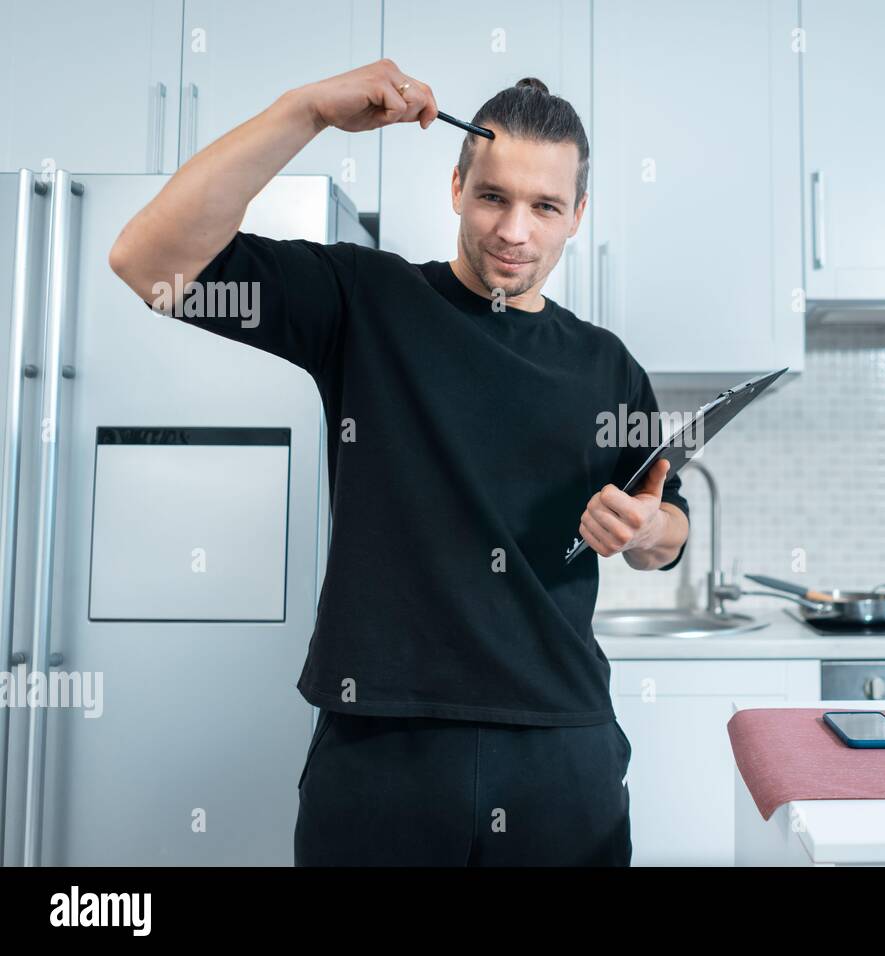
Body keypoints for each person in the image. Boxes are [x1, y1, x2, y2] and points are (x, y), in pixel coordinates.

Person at [108, 59, 690, 866]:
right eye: (493, 197)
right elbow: (150, 262)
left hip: (561, 751)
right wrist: (304, 108)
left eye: (545, 206)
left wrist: (646, 524)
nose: (515, 230)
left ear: (578, 214)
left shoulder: (607, 365)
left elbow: (670, 531)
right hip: (381, 748)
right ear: (456, 187)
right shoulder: (363, 300)